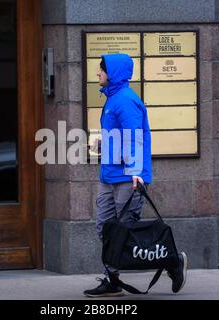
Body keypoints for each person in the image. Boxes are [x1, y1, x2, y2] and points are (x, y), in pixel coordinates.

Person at [83, 53, 188, 298]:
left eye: (101, 70)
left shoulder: (125, 100)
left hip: (126, 179)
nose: (98, 73)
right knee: (105, 229)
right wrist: (105, 145)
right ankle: (113, 280)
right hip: (109, 177)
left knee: (126, 234)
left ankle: (172, 262)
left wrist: (135, 173)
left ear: (113, 73)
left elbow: (134, 138)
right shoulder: (112, 99)